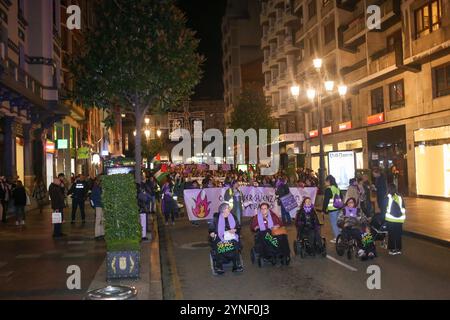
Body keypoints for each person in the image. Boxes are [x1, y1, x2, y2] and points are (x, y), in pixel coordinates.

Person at [208, 203, 243, 274]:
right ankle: (219, 266)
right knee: (219, 244)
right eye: (226, 211)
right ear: (221, 211)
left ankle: (236, 264)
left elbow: (238, 227)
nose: (228, 213)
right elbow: (211, 229)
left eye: (228, 211)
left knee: (235, 243)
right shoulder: (216, 218)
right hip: (220, 237)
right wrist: (212, 233)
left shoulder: (233, 216)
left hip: (231, 237)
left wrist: (235, 230)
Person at [384, 183, 406, 256]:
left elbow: (385, 207)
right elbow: (403, 207)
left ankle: (392, 249)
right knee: (398, 234)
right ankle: (398, 249)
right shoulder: (400, 197)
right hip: (400, 219)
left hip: (391, 219)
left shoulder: (388, 197)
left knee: (391, 235)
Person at [322, 175, 342, 243]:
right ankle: (340, 236)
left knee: (334, 224)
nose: (325, 182)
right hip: (338, 208)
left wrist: (323, 210)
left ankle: (337, 238)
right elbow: (341, 197)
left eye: (326, 181)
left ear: (329, 181)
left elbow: (326, 201)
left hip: (332, 209)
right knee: (338, 223)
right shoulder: (337, 188)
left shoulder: (328, 189)